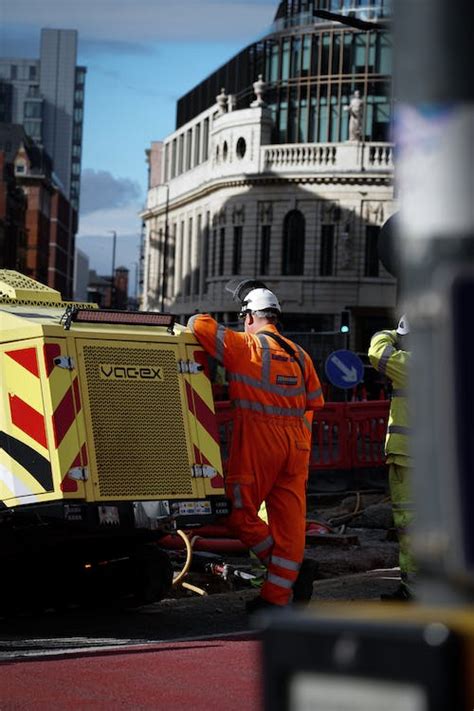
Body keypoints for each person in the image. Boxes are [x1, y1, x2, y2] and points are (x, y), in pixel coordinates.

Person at [188, 286, 324, 612]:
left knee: (238, 514)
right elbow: (314, 402)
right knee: (290, 527)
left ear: (249, 317)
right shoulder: (300, 355)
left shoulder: (244, 345)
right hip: (297, 447)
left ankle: (282, 568)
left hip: (260, 442)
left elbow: (197, 324)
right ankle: (276, 597)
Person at [368, 314, 416, 600]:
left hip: (409, 458)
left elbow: (377, 351)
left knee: (410, 525)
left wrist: (392, 333)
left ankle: (413, 589)